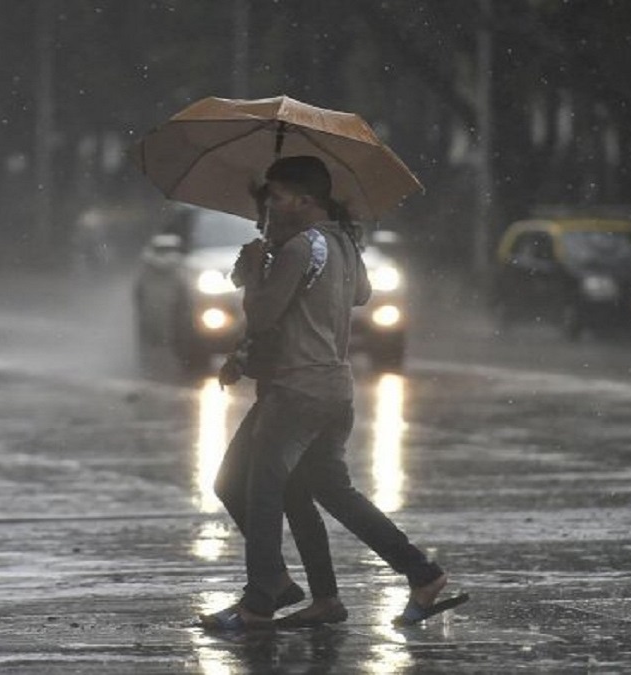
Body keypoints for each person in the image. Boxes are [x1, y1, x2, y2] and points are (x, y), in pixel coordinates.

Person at [200, 156, 467, 631]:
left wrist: (256, 270)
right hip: (330, 388)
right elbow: (360, 294)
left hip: (296, 390)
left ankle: (261, 600)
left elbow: (262, 316)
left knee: (261, 492)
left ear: (306, 200)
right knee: (319, 491)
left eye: (279, 197)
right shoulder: (341, 242)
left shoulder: (301, 249)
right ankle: (410, 576)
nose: (272, 205)